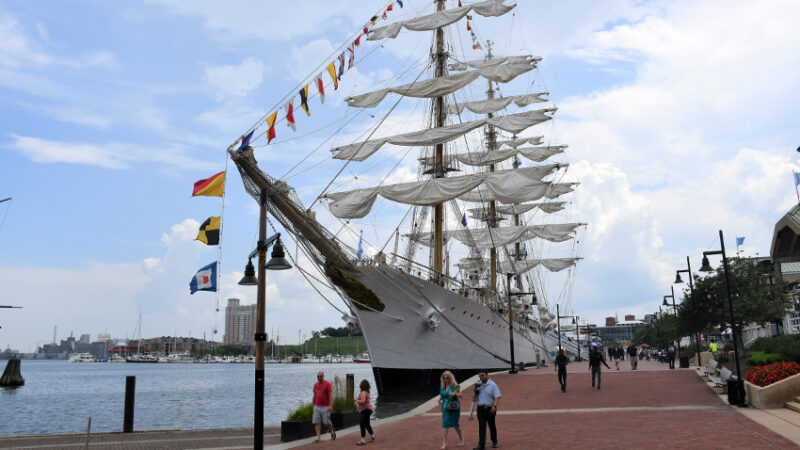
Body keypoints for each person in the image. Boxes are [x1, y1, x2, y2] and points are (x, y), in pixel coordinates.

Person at [474, 371, 501, 450]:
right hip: (480, 408)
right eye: (480, 376)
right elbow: (474, 399)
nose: (481, 377)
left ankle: (494, 441)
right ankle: (481, 445)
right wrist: (475, 389)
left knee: (491, 425)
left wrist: (494, 406)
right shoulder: (478, 385)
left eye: (483, 375)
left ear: (487, 375)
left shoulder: (493, 385)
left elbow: (497, 396)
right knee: (482, 426)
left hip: (490, 408)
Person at [438, 370, 464, 449]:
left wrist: (454, 393)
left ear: (450, 378)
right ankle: (445, 442)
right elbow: (442, 394)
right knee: (445, 424)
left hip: (454, 406)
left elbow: (460, 395)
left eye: (447, 378)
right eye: (444, 378)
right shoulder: (443, 385)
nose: (446, 380)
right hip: (445, 407)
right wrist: (440, 399)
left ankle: (461, 438)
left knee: (455, 424)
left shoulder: (455, 385)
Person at [312, 371, 335, 442]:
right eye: (318, 376)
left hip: (325, 406)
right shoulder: (315, 385)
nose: (319, 377)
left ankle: (332, 432)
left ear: (323, 376)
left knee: (326, 422)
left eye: (320, 376)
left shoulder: (327, 384)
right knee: (317, 422)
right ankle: (318, 437)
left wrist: (330, 405)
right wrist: (313, 405)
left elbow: (330, 395)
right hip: (317, 406)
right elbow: (315, 395)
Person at [354, 379, 374, 445]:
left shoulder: (363, 392)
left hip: (366, 410)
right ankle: (372, 435)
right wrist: (356, 399)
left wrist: (356, 400)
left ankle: (363, 440)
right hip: (368, 410)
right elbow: (360, 399)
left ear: (361, 385)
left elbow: (362, 401)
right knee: (367, 424)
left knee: (362, 423)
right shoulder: (366, 392)